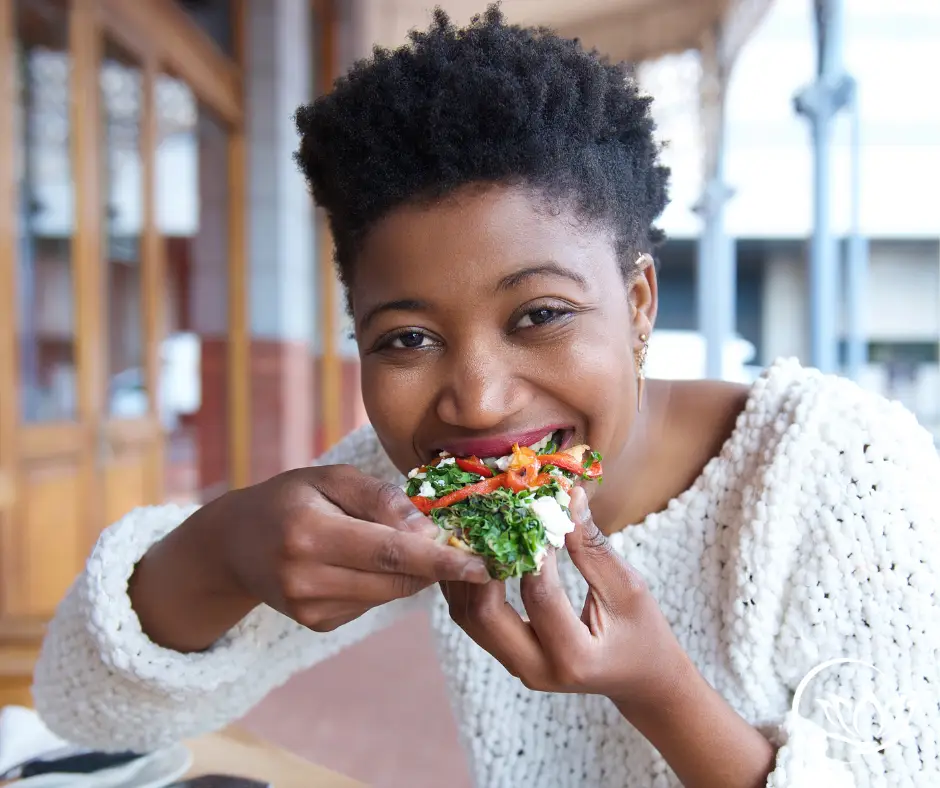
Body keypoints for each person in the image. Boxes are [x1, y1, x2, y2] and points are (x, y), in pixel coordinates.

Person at [32, 7, 939, 788]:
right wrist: (220, 552)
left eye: (539, 314)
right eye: (406, 339)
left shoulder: (840, 470)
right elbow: (85, 708)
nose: (476, 400)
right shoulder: (421, 493)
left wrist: (655, 685)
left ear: (636, 305)